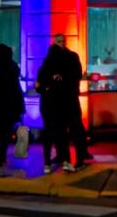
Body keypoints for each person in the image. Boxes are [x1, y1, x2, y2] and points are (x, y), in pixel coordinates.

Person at [35, 33, 91, 171]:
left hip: (64, 100)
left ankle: (74, 158)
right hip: (61, 100)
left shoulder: (69, 57)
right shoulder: (57, 60)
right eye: (58, 41)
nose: (61, 43)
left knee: (70, 129)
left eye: (62, 41)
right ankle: (67, 158)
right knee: (64, 130)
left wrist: (58, 80)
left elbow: (76, 75)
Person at [0, 44, 25, 168]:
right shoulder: (13, 66)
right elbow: (16, 87)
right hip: (9, 104)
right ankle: (2, 158)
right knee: (5, 133)